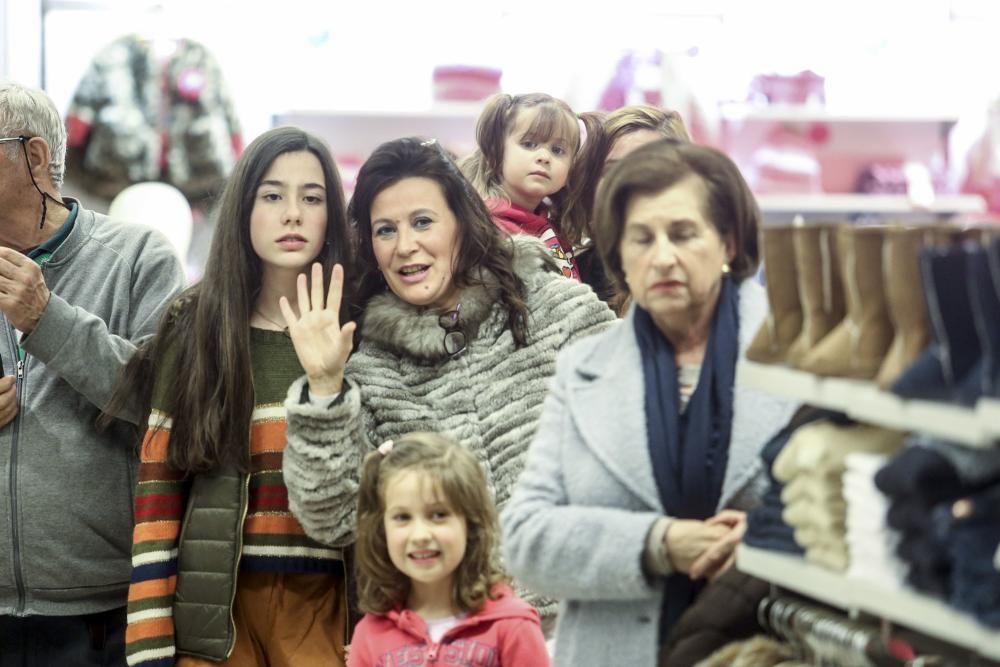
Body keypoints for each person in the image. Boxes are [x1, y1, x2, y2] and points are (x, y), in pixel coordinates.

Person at [279, 137, 616, 625]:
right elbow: (330, 519)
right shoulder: (370, 371)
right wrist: (325, 386)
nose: (406, 246)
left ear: (462, 220)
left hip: (590, 627)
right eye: (385, 230)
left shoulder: (558, 311)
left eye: (422, 222)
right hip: (458, 644)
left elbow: (645, 441)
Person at [501, 139, 799, 666]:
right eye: (641, 238)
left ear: (728, 242)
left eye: (683, 233)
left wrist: (766, 539)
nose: (662, 256)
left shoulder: (798, 363)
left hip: (764, 648)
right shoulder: (584, 369)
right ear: (619, 255)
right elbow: (525, 541)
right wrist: (656, 543)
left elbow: (855, 513)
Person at [116, 127, 355, 666]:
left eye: (311, 198)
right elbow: (157, 496)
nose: (292, 214)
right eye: (272, 196)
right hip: (215, 620)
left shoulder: (357, 325)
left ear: (331, 214)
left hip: (328, 611)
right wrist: (150, 649)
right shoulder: (197, 323)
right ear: (245, 208)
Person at [0, 81, 184, 665]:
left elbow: (165, 398)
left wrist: (46, 318)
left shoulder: (138, 258)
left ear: (32, 158)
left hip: (102, 608)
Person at [346, 432, 549, 666]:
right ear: (382, 530)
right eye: (402, 517)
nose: (420, 535)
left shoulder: (513, 625)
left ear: (470, 524)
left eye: (438, 515)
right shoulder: (369, 636)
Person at [460, 93, 592, 281]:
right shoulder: (487, 230)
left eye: (558, 150)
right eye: (529, 144)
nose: (544, 157)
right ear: (496, 150)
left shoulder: (550, 225)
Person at [576, 105, 693, 312]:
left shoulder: (704, 266)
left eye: (645, 168)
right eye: (611, 170)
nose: (626, 181)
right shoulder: (569, 272)